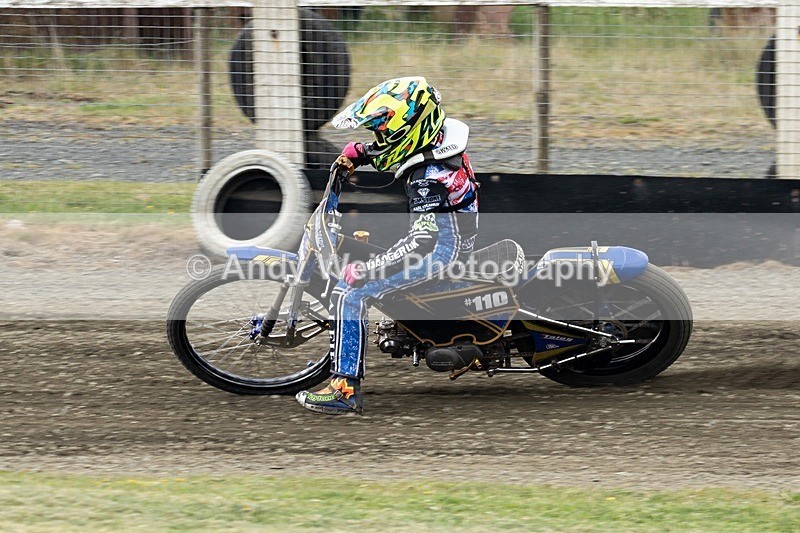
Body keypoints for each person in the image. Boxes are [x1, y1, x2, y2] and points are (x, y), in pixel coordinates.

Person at [295, 77, 479, 415]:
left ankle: (344, 390)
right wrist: (363, 152)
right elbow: (404, 146)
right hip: (449, 238)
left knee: (350, 293)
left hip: (440, 254)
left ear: (410, 130)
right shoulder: (439, 139)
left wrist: (367, 270)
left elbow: (422, 244)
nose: (379, 141)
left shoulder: (427, 180)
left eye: (383, 135)